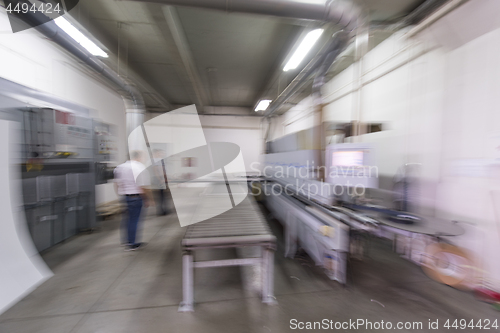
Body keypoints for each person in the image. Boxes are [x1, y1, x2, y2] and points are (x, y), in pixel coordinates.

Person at [114, 151, 153, 251]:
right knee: (134, 220)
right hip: (136, 197)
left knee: (126, 219)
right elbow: (143, 186)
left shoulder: (120, 167)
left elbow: (117, 184)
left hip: (125, 196)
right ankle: (132, 243)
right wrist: (148, 199)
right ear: (138, 157)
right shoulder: (139, 167)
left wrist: (121, 194)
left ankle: (126, 240)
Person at [152, 149, 169, 216]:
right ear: (156, 153)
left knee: (163, 195)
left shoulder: (160, 160)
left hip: (161, 178)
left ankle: (164, 209)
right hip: (159, 179)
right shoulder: (155, 161)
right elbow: (156, 170)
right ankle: (161, 210)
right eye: (160, 153)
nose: (162, 154)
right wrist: (160, 179)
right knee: (161, 195)